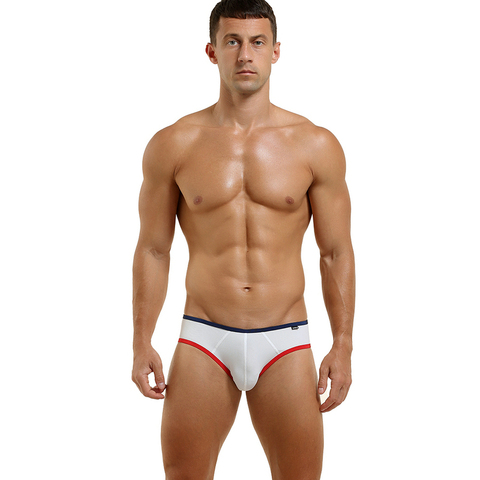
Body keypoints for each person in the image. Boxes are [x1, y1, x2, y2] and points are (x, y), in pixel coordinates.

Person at [132, 0, 355, 478]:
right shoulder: (174, 143)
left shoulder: (315, 144)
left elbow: (335, 252)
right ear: (212, 51)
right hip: (204, 335)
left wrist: (343, 345)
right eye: (232, 41)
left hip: (285, 338)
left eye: (257, 42)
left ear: (276, 51)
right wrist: (141, 340)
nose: (245, 55)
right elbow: (153, 248)